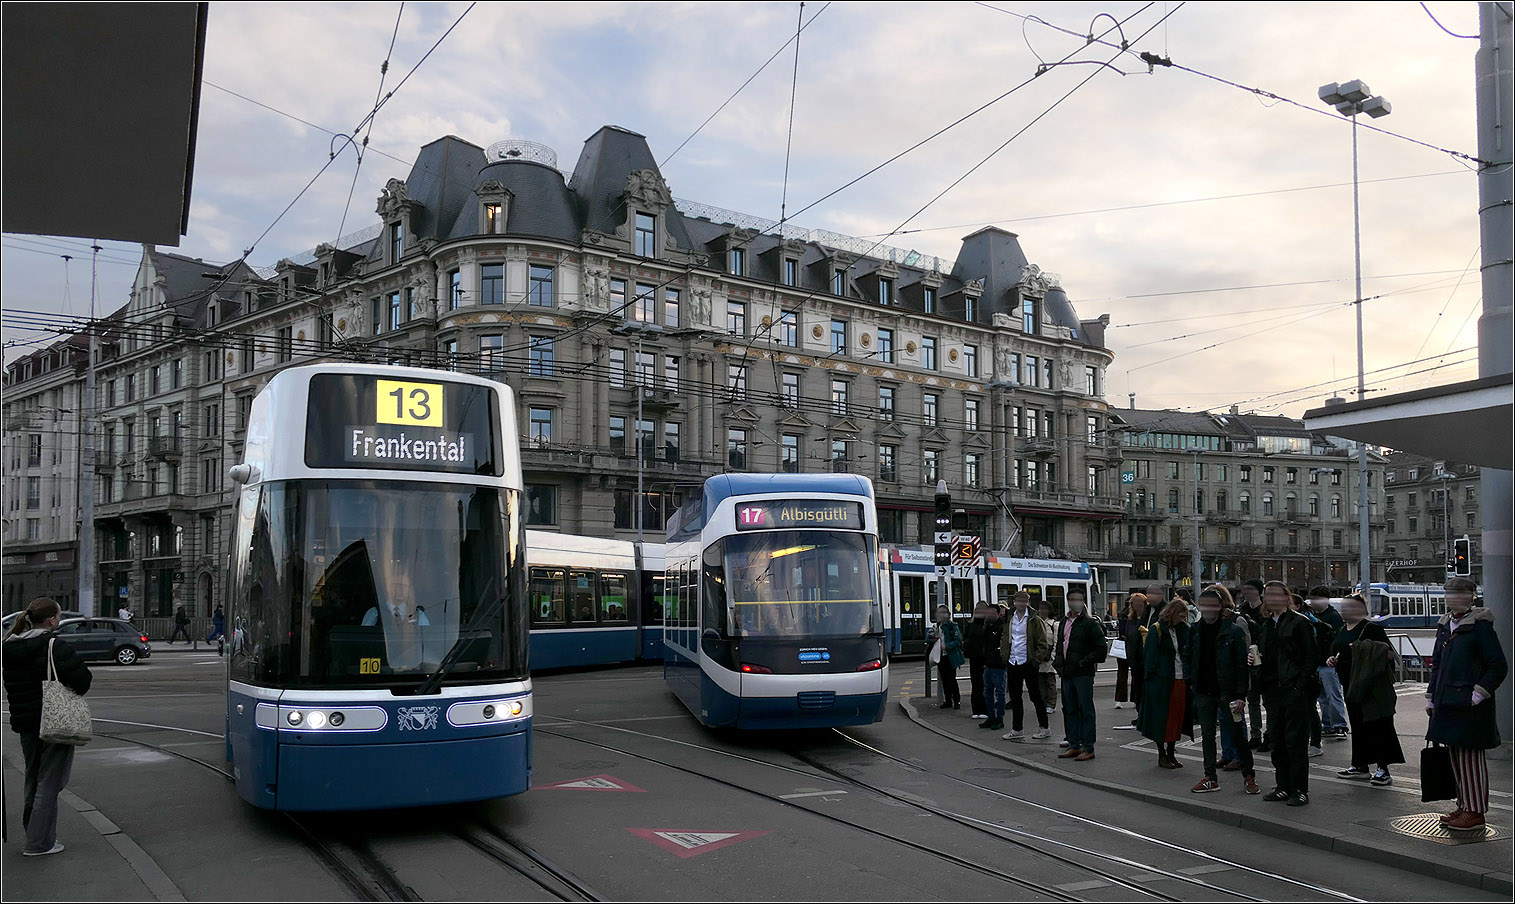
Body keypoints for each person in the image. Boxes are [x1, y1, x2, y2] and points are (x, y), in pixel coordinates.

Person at [3, 597, 93, 857]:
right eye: (58, 616)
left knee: (33, 777)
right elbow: (83, 680)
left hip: (26, 723)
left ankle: (33, 832)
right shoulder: (53, 645)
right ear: (52, 619)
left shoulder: (9, 645)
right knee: (51, 781)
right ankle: (39, 843)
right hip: (56, 721)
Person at [1426, 576, 1508, 832]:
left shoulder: (1480, 626)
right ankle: (1464, 805)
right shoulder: (1446, 625)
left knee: (1470, 758)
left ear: (1472, 596)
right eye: (1449, 593)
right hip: (1447, 702)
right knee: (1456, 756)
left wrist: (1478, 694)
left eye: (1459, 593)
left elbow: (1498, 666)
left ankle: (1475, 812)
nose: (1453, 598)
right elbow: (1437, 665)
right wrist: (1431, 696)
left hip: (1468, 704)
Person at [1185, 586, 1259, 794]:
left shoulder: (1232, 630)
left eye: (1212, 605)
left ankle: (1249, 775)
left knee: (1236, 734)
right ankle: (1210, 776)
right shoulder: (1196, 630)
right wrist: (1191, 681)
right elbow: (1188, 655)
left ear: (1219, 606)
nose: (1207, 609)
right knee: (1207, 736)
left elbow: (1241, 665)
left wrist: (1240, 695)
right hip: (1203, 691)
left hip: (1227, 692)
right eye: (1204, 605)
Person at [1329, 593, 1402, 786]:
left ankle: (1383, 768)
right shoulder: (1342, 629)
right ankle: (1360, 765)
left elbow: (1387, 654)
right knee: (1358, 724)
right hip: (1350, 684)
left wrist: (1364, 653)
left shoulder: (1371, 628)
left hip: (1371, 686)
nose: (1345, 611)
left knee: (1378, 725)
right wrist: (1333, 659)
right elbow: (1339, 650)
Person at [1258, 580, 1319, 807]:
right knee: (1277, 740)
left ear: (1286, 597)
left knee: (1296, 742)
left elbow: (1310, 657)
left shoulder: (1298, 622)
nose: (1271, 598)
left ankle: (1299, 789)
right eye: (1268, 595)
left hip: (1293, 689)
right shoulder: (1266, 624)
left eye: (1276, 594)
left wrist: (1299, 687)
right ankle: (1282, 786)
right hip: (1273, 689)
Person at [1137, 599, 1193, 769]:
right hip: (1162, 682)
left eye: (1185, 616)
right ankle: (1162, 754)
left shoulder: (1184, 630)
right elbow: (1150, 658)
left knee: (1176, 719)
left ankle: (1171, 752)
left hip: (1180, 679)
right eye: (1180, 615)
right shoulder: (1157, 629)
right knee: (1162, 719)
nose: (1183, 619)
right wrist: (1152, 680)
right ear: (1172, 614)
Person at [1053, 587, 1106, 762]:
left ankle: (1088, 747)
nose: (1075, 602)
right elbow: (1061, 645)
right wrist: (1059, 664)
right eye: (1072, 599)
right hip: (1067, 673)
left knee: (1085, 710)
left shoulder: (1090, 623)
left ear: (1083, 601)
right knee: (1069, 709)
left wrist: (1083, 661)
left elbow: (1101, 649)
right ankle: (1074, 744)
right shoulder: (1064, 621)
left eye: (1078, 599)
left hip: (1082, 674)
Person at [1001, 591, 1051, 741]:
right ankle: (1017, 729)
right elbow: (1006, 637)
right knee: (1015, 697)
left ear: (1028, 602)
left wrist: (1035, 661)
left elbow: (1043, 643)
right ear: (1014, 602)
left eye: (1024, 601)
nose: (1021, 604)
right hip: (1013, 661)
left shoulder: (1035, 620)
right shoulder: (1010, 618)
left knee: (1035, 696)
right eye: (1019, 601)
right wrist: (1005, 655)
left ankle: (1044, 728)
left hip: (1028, 661)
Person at [1307, 587, 1349, 739]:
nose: (1313, 602)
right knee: (1322, 697)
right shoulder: (1313, 616)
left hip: (1329, 662)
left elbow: (1337, 640)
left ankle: (1339, 725)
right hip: (1317, 661)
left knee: (1333, 694)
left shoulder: (1333, 617)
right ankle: (1328, 724)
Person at [1237, 579, 1268, 750]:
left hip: (1266, 659)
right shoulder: (1242, 610)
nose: (1246, 593)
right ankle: (1256, 734)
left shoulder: (1266, 609)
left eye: (1250, 590)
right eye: (1244, 590)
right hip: (1249, 659)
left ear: (1259, 592)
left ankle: (1270, 734)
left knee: (1268, 701)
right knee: (1253, 699)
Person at [1114, 592, 1149, 714]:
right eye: (1135, 603)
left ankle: (1143, 712)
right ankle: (1139, 711)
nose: (1137, 606)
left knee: (1143, 687)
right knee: (1136, 684)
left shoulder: (1149, 619)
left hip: (1145, 658)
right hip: (1132, 656)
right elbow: (1127, 636)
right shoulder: (1130, 619)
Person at [977, 604, 1008, 731]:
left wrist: (1000, 657)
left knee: (999, 692)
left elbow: (1002, 645)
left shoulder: (1002, 627)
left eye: (991, 613)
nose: (988, 615)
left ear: (998, 613)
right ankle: (991, 716)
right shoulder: (987, 627)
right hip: (988, 665)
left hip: (998, 665)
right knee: (987, 691)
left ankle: (999, 718)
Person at [929, 605, 965, 710]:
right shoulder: (936, 626)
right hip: (940, 656)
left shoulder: (952, 626)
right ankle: (948, 700)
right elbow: (931, 638)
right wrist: (932, 640)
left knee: (951, 679)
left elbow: (958, 641)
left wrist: (946, 646)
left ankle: (956, 700)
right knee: (944, 679)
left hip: (950, 656)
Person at [963, 602, 990, 720]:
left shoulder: (972, 624)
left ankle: (978, 710)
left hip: (977, 658)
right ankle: (981, 710)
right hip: (980, 658)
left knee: (978, 685)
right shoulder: (984, 625)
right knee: (980, 685)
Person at [1035, 599, 1058, 717]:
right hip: (1039, 657)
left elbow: (1056, 642)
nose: (1042, 611)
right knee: (1040, 682)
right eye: (1040, 609)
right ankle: (1042, 703)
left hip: (1049, 658)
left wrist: (1053, 656)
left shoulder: (1054, 624)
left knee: (1050, 682)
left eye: (1045, 609)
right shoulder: (1036, 623)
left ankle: (1051, 704)